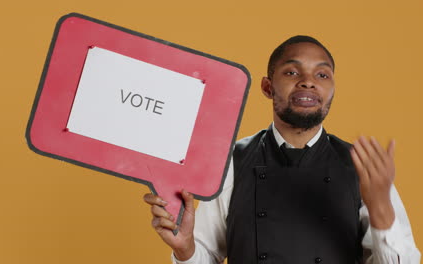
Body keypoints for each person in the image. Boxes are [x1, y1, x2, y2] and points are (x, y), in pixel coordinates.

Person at [143, 36, 421, 263]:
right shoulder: (232, 163)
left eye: (322, 74)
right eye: (291, 72)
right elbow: (206, 256)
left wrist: (381, 207)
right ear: (267, 86)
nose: (308, 81)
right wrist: (185, 249)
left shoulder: (360, 167)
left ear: (332, 89)